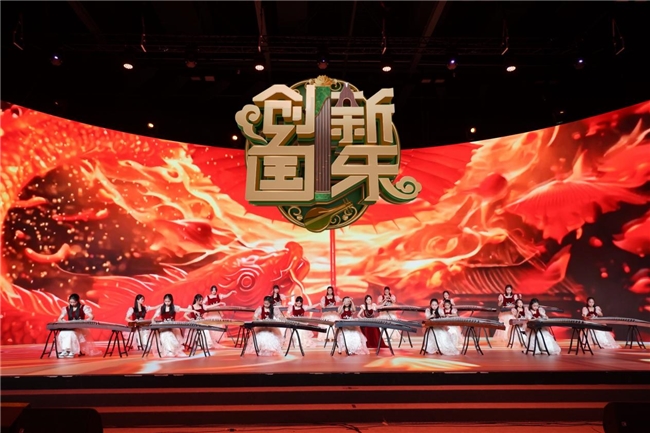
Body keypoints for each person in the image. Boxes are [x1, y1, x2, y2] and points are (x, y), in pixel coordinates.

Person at [55, 293, 100, 358]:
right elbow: (59, 318)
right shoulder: (67, 308)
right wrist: (64, 322)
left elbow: (91, 316)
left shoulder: (83, 308)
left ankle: (71, 351)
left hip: (79, 328)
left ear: (77, 301)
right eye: (70, 302)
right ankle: (65, 350)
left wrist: (84, 322)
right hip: (70, 327)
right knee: (62, 333)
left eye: (74, 302)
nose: (72, 304)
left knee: (71, 334)